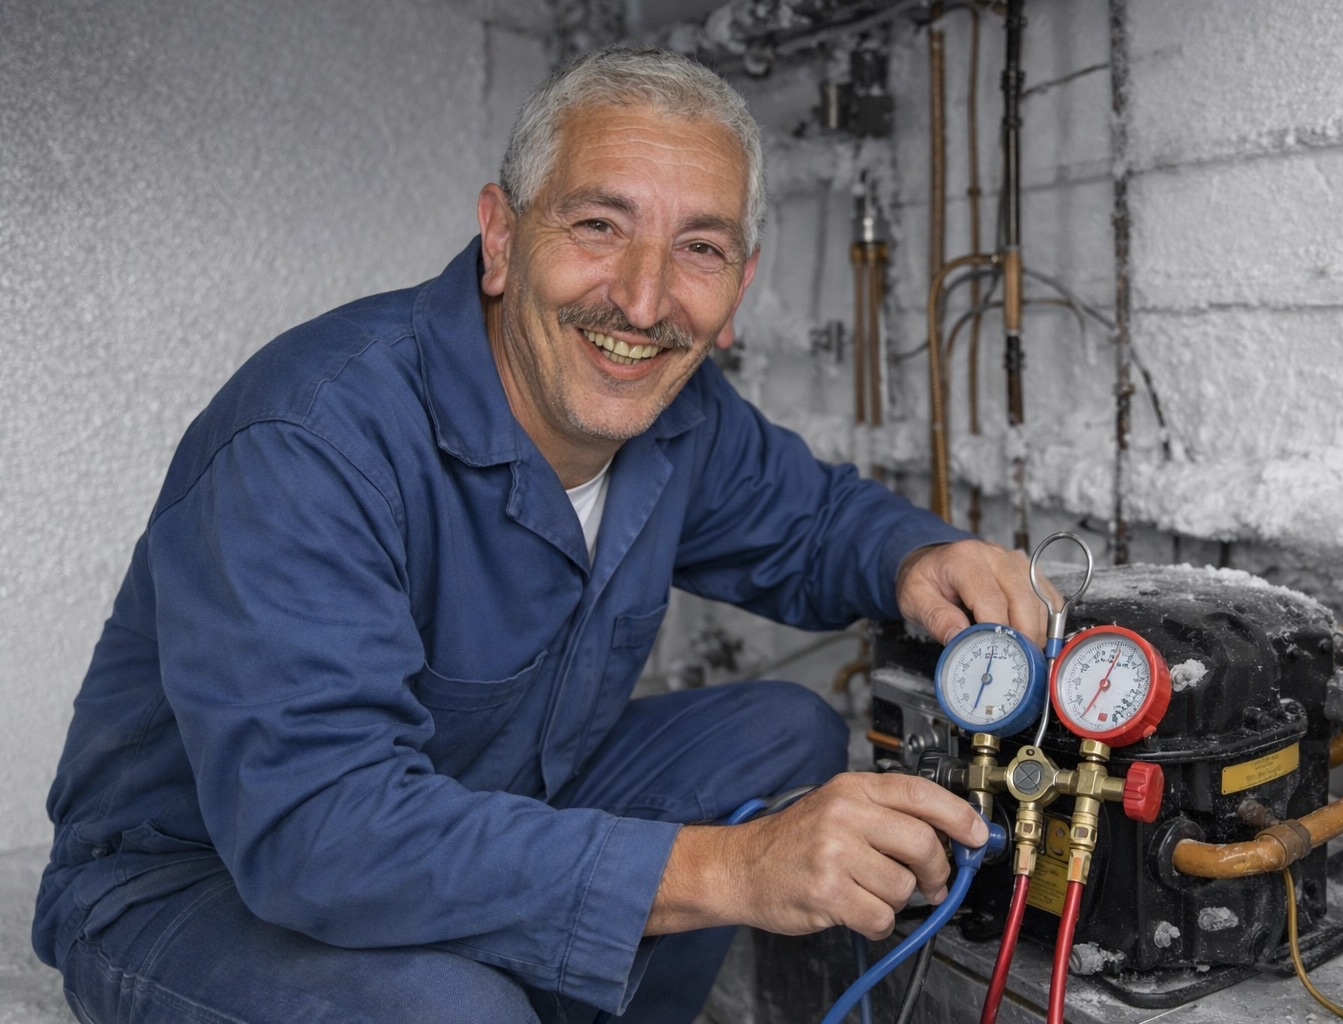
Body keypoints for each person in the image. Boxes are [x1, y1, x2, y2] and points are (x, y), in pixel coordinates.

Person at [34, 47, 1053, 1023]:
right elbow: (317, 832)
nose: (645, 299)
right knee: (454, 1011)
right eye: (600, 224)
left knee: (778, 735)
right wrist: (732, 870)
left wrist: (922, 555)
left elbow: (813, 519)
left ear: (736, 287)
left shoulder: (677, 413)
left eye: (698, 246)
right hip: (195, 879)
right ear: (503, 236)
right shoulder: (311, 438)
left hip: (467, 797)